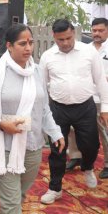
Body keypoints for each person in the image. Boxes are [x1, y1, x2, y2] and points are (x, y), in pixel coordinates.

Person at [0, 23, 64, 213]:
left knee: (19, 195)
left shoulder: (37, 71)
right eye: (22, 43)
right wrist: (0, 124)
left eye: (30, 42)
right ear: (9, 45)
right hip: (4, 144)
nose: (29, 48)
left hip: (33, 144)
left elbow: (44, 107)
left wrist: (55, 132)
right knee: (12, 203)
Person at [39, 19, 108, 204]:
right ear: (54, 37)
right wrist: (42, 112)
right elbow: (41, 87)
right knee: (57, 150)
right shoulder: (47, 56)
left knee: (91, 145)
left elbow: (101, 80)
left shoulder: (89, 52)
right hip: (58, 109)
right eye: (61, 39)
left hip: (85, 107)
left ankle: (87, 167)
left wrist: (105, 108)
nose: (66, 43)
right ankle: (55, 188)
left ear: (74, 33)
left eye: (69, 38)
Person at [66, 17, 108, 179]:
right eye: (94, 30)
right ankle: (76, 156)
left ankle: (107, 164)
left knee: (103, 132)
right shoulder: (85, 49)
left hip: (103, 98)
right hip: (83, 96)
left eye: (101, 30)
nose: (96, 33)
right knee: (73, 129)